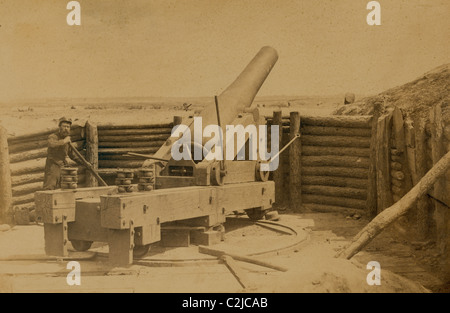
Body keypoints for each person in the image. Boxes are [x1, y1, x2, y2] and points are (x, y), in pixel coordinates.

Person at [43, 117, 78, 190]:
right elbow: (52, 145)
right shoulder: (53, 137)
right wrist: (64, 141)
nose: (66, 128)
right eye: (64, 126)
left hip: (62, 166)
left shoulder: (67, 140)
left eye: (68, 127)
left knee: (62, 188)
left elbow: (72, 155)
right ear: (59, 127)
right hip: (53, 165)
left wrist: (84, 163)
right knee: (49, 187)